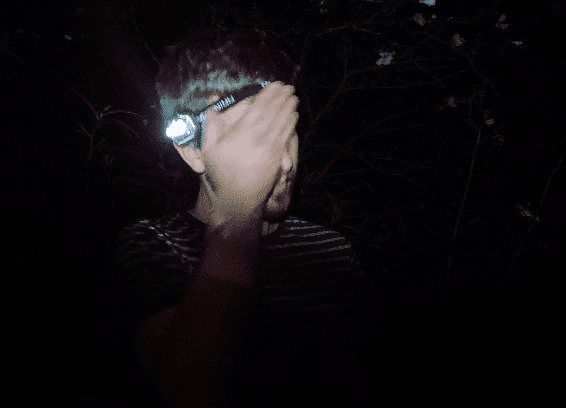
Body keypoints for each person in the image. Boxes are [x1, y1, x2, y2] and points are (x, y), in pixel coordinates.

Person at [85, 28, 376, 408]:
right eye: (255, 138)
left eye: (285, 132)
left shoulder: (332, 252)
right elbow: (186, 390)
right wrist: (239, 215)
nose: (285, 163)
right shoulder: (151, 248)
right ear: (192, 150)